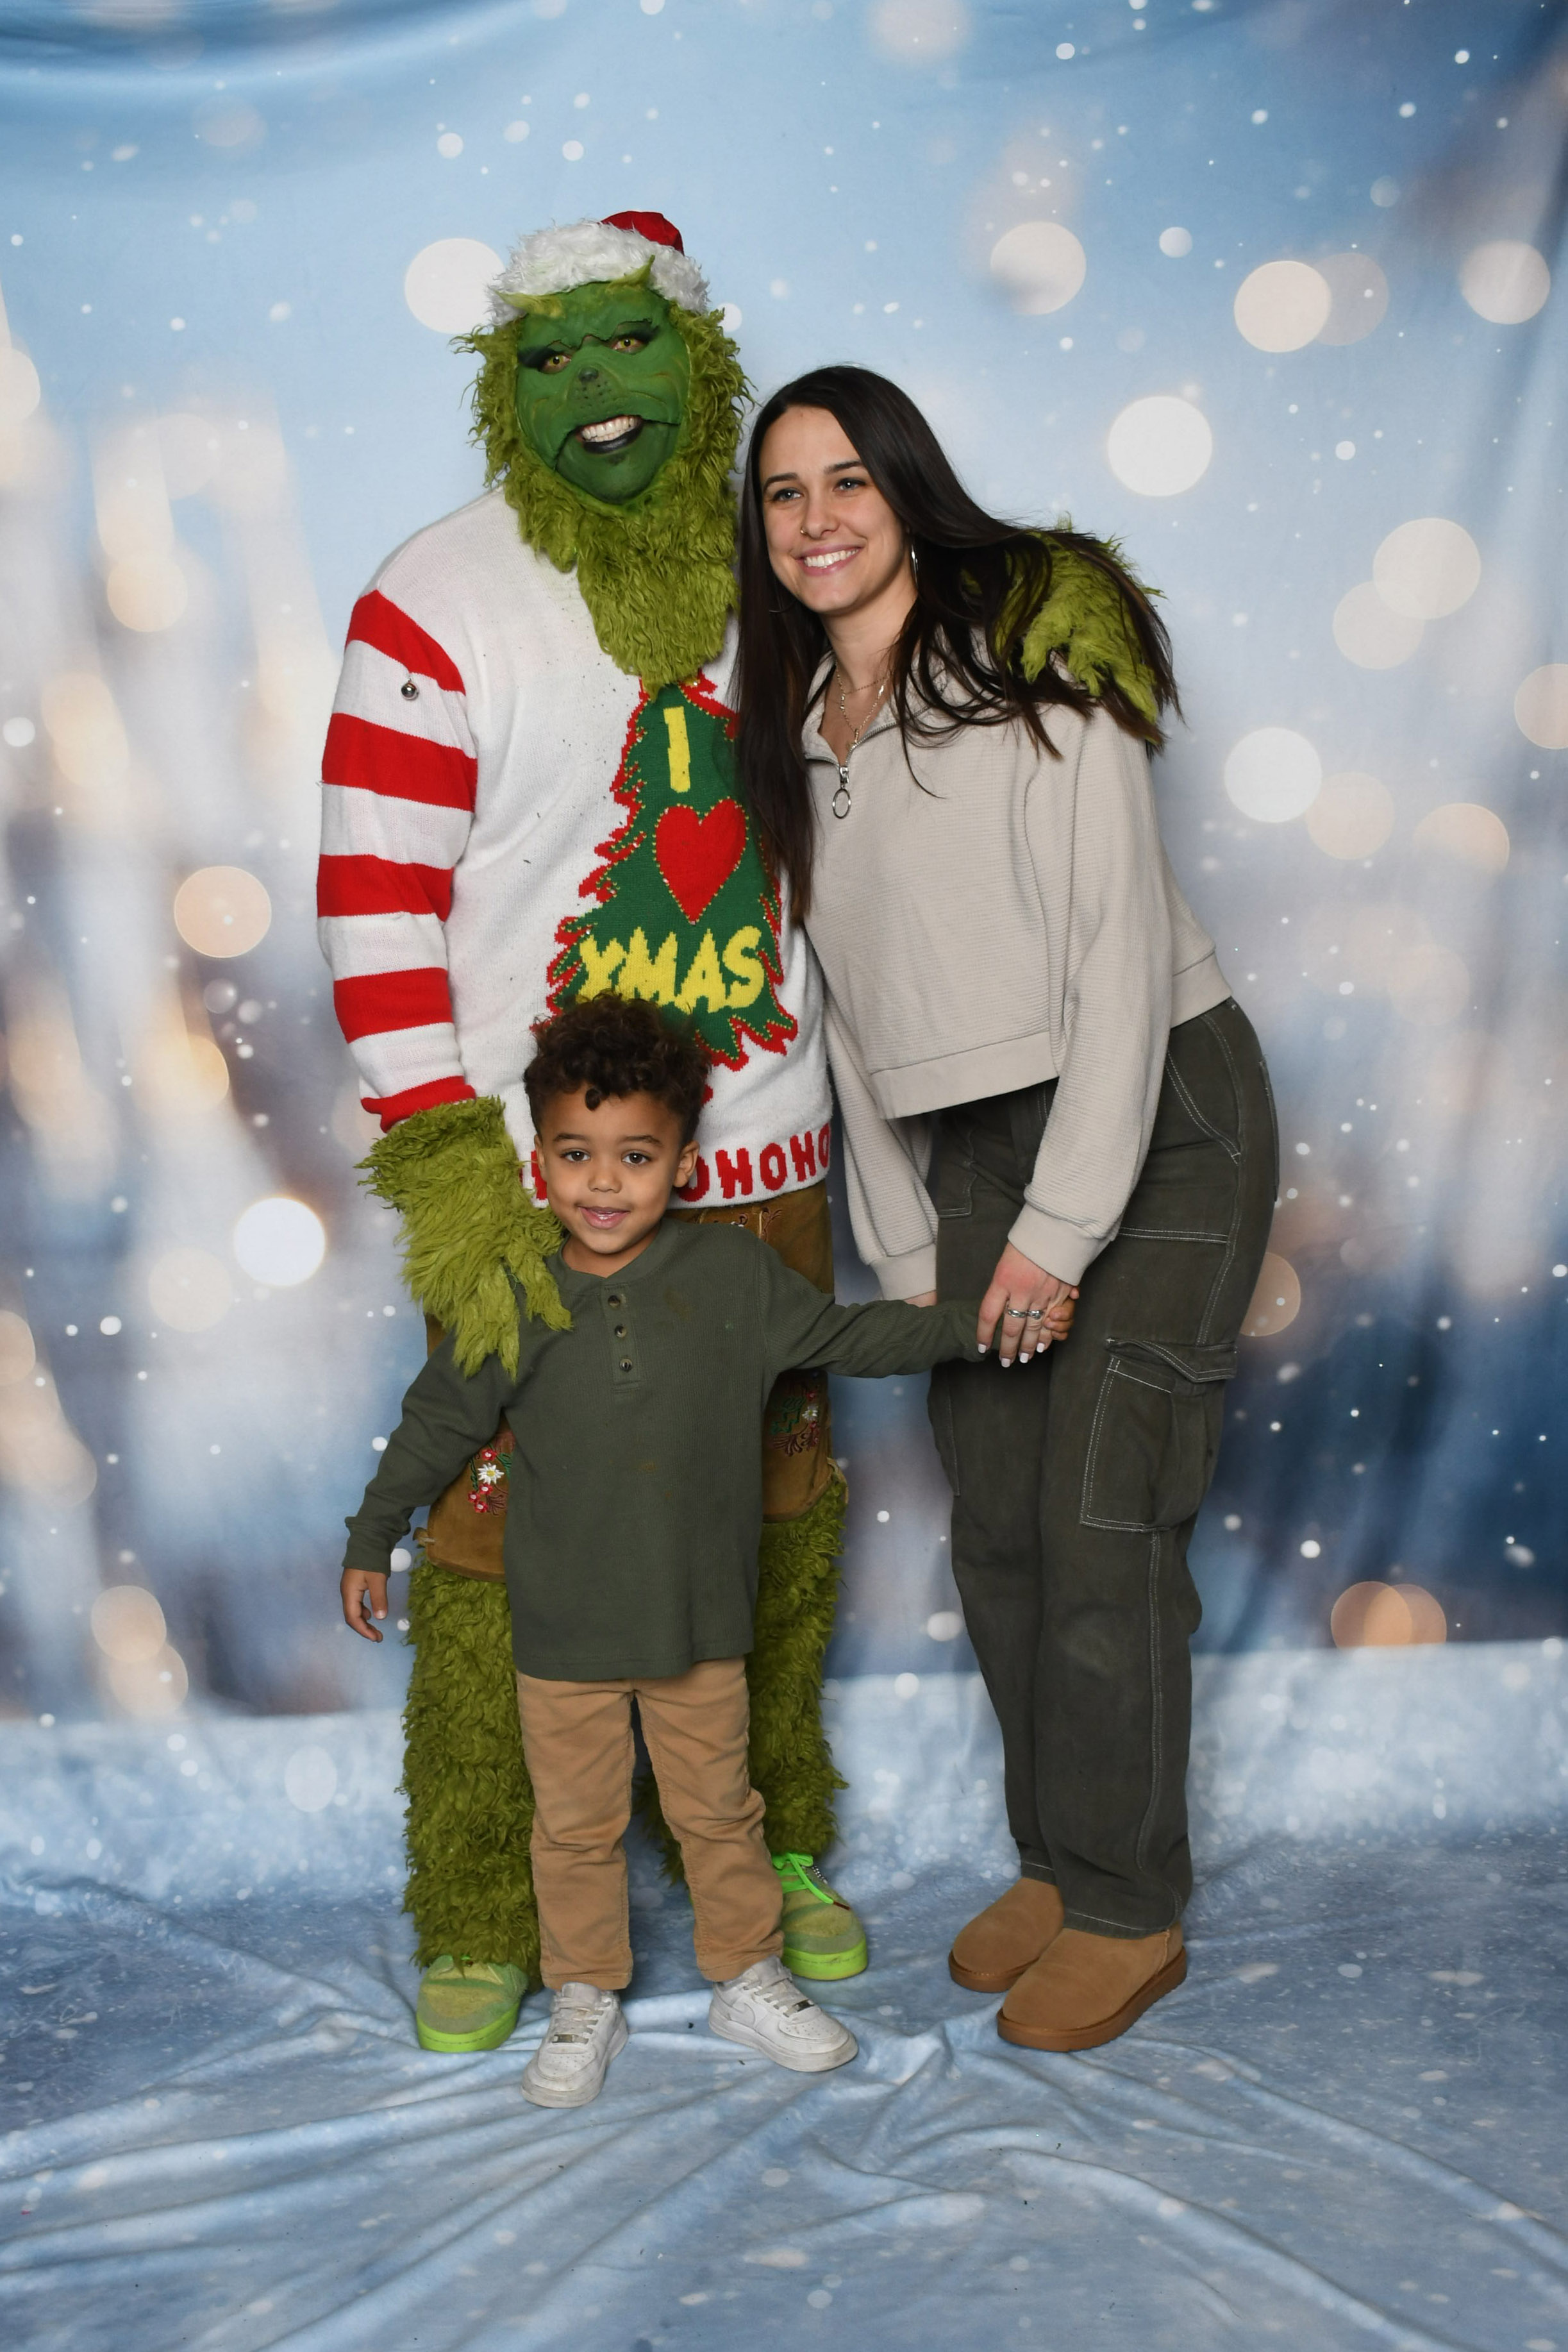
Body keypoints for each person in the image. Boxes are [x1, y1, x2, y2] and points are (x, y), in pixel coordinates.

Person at [317, 211, 867, 2053]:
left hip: (766, 1172)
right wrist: (447, 1162)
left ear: (694, 359)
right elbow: (373, 895)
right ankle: (490, 1902)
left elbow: (928, 687)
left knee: (773, 1534)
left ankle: (766, 1851)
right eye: (546, 359)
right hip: (538, 1193)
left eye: (623, 346)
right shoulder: (433, 595)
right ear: (504, 387)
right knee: (497, 1557)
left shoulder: (783, 555)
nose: (592, 390)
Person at [733, 366, 1277, 2053]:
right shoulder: (793, 728)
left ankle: (1126, 1906)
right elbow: (849, 1019)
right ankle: (1055, 1856)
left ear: (906, 492)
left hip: (1152, 1120)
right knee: (1000, 1530)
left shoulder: (1031, 665)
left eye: (847, 480)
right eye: (781, 493)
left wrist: (1057, 1228)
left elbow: (1117, 963)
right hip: (961, 1149)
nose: (816, 518)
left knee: (1102, 1518)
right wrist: (903, 1238)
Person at [341, 997, 1046, 2107]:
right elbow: (434, 1424)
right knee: (574, 1829)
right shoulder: (514, 1295)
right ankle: (585, 1995)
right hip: (563, 1634)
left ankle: (745, 1977)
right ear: (539, 1160)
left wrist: (985, 1324)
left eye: (635, 1156)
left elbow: (855, 1336)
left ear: (681, 1161)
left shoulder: (732, 1276)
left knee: (720, 1813)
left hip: (701, 1621)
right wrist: (370, 1536)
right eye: (575, 1154)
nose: (603, 1183)